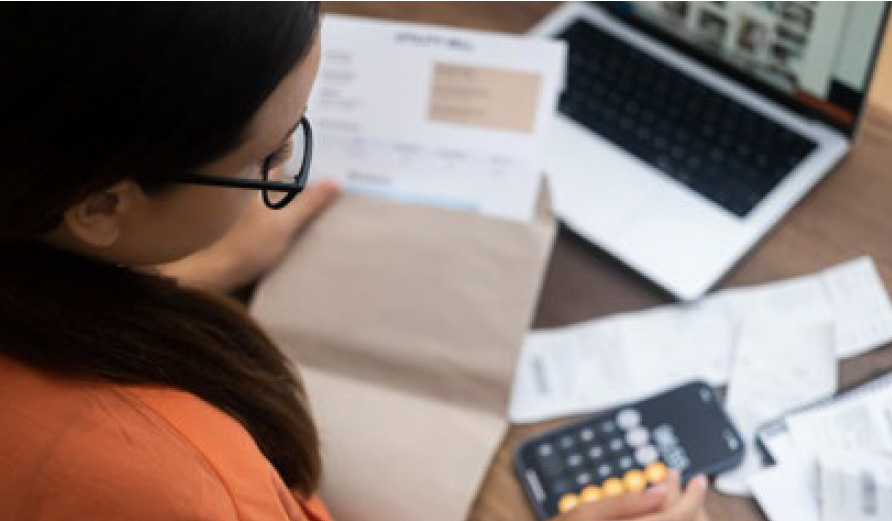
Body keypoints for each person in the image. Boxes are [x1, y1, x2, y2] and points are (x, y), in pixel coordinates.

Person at [0, 3, 710, 520]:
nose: (289, 173)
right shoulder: (173, 478)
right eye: (262, 159)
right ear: (100, 208)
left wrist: (197, 268)